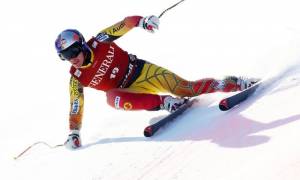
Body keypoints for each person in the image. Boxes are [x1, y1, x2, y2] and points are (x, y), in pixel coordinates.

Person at [55, 15, 259, 149]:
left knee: (187, 88)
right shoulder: (76, 78)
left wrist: (143, 21)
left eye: (73, 51)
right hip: (130, 91)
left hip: (142, 71)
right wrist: (74, 132)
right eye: (65, 55)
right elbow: (76, 106)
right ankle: (165, 103)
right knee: (112, 98)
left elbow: (126, 23)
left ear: (81, 45)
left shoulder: (100, 40)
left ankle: (237, 83)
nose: (72, 57)